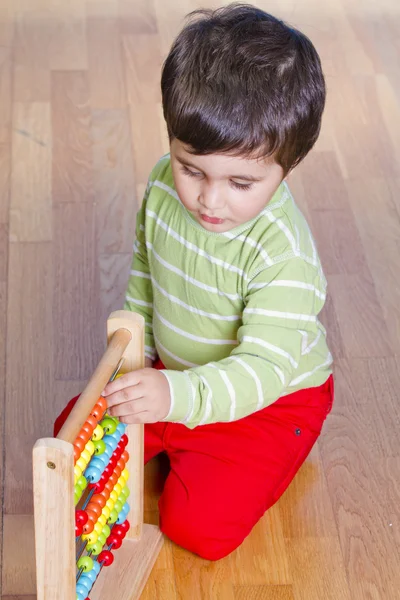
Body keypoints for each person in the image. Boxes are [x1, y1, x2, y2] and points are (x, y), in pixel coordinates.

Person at [54, 3, 334, 561]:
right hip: (178, 373)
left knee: (197, 528)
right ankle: (179, 431)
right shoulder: (162, 184)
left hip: (270, 399)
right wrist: (136, 362)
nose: (209, 199)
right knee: (69, 440)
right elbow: (147, 274)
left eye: (240, 182)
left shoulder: (283, 255)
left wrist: (174, 399)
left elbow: (262, 369)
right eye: (192, 168)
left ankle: (261, 450)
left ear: (287, 166)